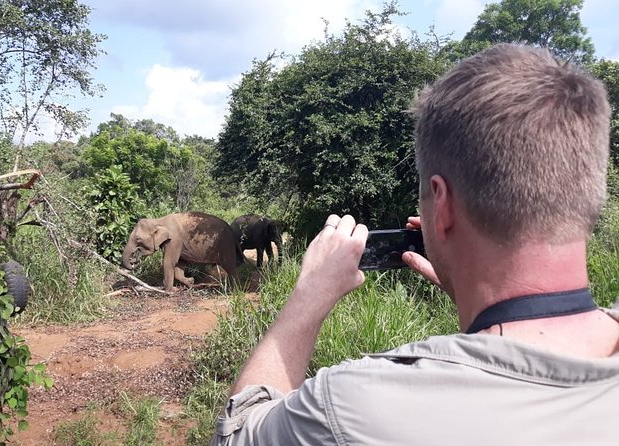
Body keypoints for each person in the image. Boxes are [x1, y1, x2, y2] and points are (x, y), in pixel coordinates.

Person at [211, 43, 619, 445]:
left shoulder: (354, 406)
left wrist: (309, 294)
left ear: (441, 208)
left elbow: (240, 433)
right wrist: (474, 295)